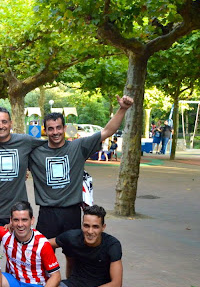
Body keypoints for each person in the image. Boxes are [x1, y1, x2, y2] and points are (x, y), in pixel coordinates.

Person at [28, 95, 133, 238]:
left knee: (73, 256)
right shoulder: (35, 152)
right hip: (47, 213)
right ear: (45, 131)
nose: (55, 132)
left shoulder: (78, 146)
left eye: (59, 128)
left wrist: (123, 109)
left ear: (64, 128)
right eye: (51, 129)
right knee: (44, 255)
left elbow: (107, 131)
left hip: (72, 212)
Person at [0, 106, 46, 254]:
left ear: (11, 123)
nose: (1, 126)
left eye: (4, 122)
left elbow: (50, 146)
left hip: (15, 214)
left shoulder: (25, 141)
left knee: (19, 257)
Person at [46, 205, 122, 287]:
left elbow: (116, 285)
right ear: (82, 225)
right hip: (76, 283)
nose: (90, 231)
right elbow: (43, 244)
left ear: (103, 227)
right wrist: (16, 233)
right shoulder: (72, 236)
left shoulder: (112, 245)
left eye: (95, 227)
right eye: (86, 226)